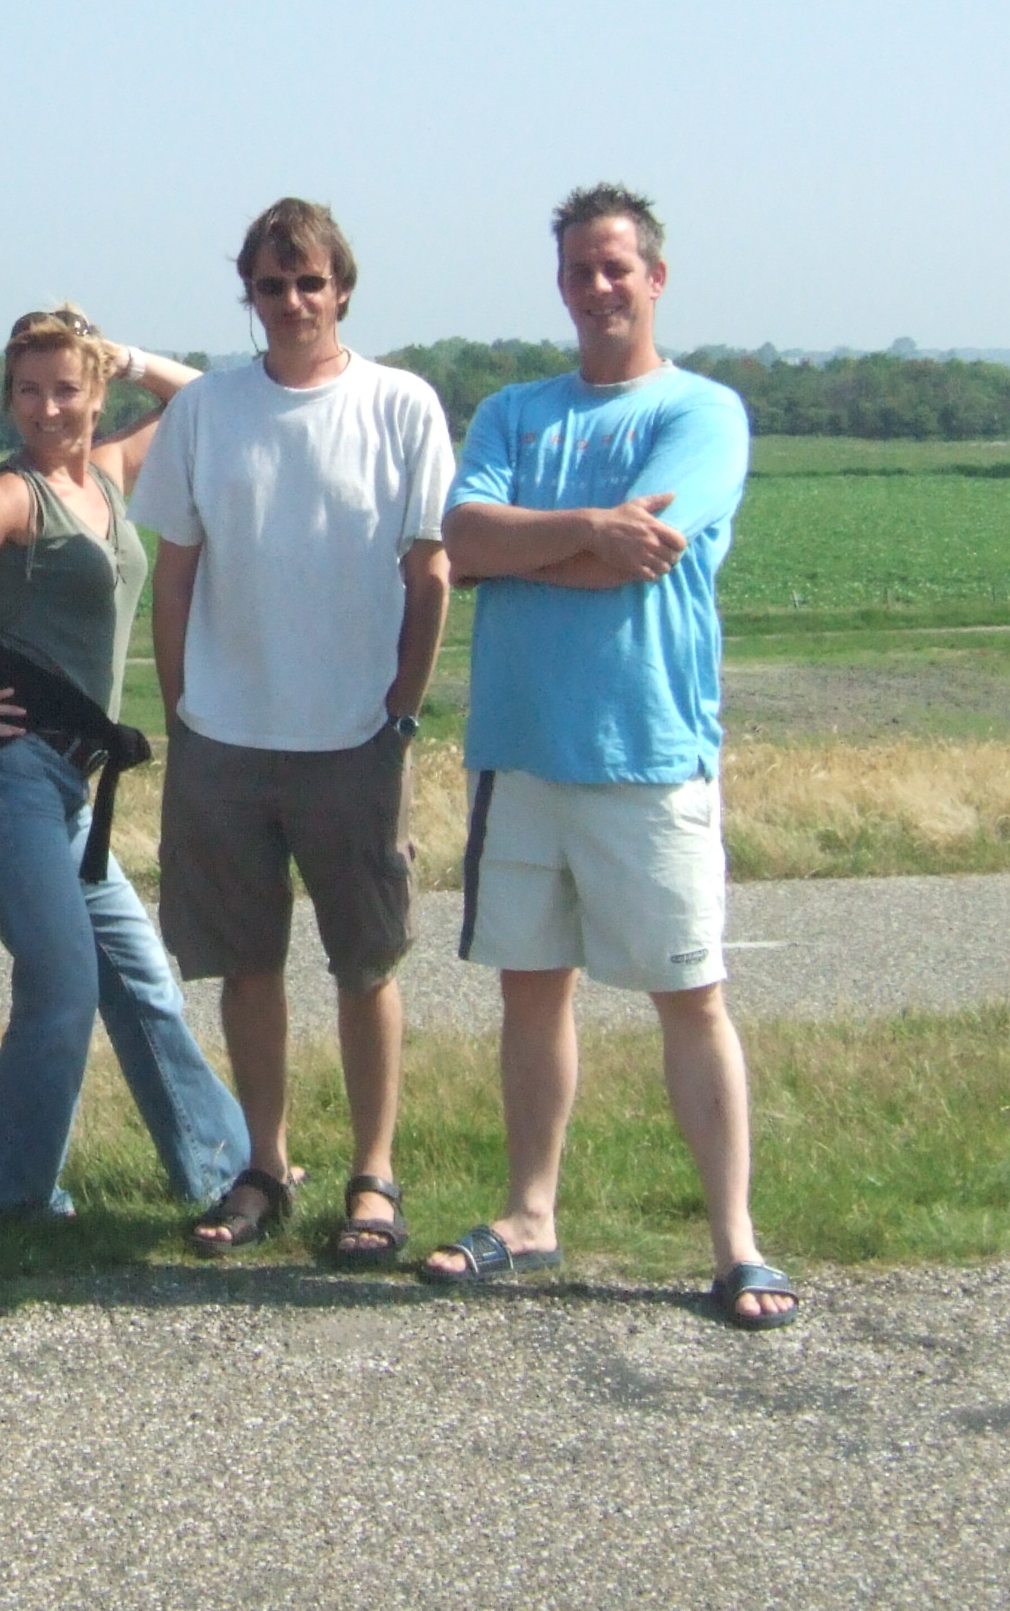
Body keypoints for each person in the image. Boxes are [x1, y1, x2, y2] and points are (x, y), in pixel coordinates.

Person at [427, 183, 799, 1327]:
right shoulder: (513, 413)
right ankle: (529, 1215)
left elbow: (649, 554)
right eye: (580, 271)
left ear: (656, 279)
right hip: (521, 752)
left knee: (691, 994)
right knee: (532, 994)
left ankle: (736, 1244)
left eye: (616, 269)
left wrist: (528, 547)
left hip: (648, 751)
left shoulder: (705, 412)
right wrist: (587, 527)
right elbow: (461, 533)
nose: (598, 288)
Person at [128, 198, 453, 1264]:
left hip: (356, 738)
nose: (294, 302)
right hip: (224, 739)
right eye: (273, 286)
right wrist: (183, 706)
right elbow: (173, 575)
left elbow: (430, 573)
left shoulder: (402, 405)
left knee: (366, 963)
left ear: (343, 289)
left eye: (311, 283)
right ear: (251, 297)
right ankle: (263, 1166)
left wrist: (400, 707)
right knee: (245, 965)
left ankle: (374, 1175)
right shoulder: (205, 412)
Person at [0, 306, 247, 1218]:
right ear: (7, 400)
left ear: (95, 395)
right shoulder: (17, 495)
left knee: (143, 980)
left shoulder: (113, 477)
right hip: (13, 784)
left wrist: (126, 356)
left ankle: (225, 1172)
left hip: (73, 791)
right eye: (28, 392)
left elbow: (202, 399)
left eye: (69, 389)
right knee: (63, 984)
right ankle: (8, 1204)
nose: (48, 410)